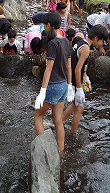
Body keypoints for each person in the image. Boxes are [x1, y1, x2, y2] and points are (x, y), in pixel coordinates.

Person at [34, 12, 74, 152]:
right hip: (63, 85)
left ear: (49, 25)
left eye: (44, 25)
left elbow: (48, 69)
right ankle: (60, 152)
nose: (44, 28)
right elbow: (69, 66)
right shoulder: (66, 41)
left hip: (53, 86)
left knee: (38, 115)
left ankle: (45, 151)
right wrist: (69, 86)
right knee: (58, 120)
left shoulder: (52, 43)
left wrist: (42, 91)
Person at [62, 25, 108, 134]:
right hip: (73, 82)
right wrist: (79, 88)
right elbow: (77, 70)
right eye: (102, 41)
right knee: (79, 108)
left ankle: (61, 121)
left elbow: (79, 65)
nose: (102, 44)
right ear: (96, 38)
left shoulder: (81, 42)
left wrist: (85, 76)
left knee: (75, 105)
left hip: (69, 79)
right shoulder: (86, 49)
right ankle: (73, 134)